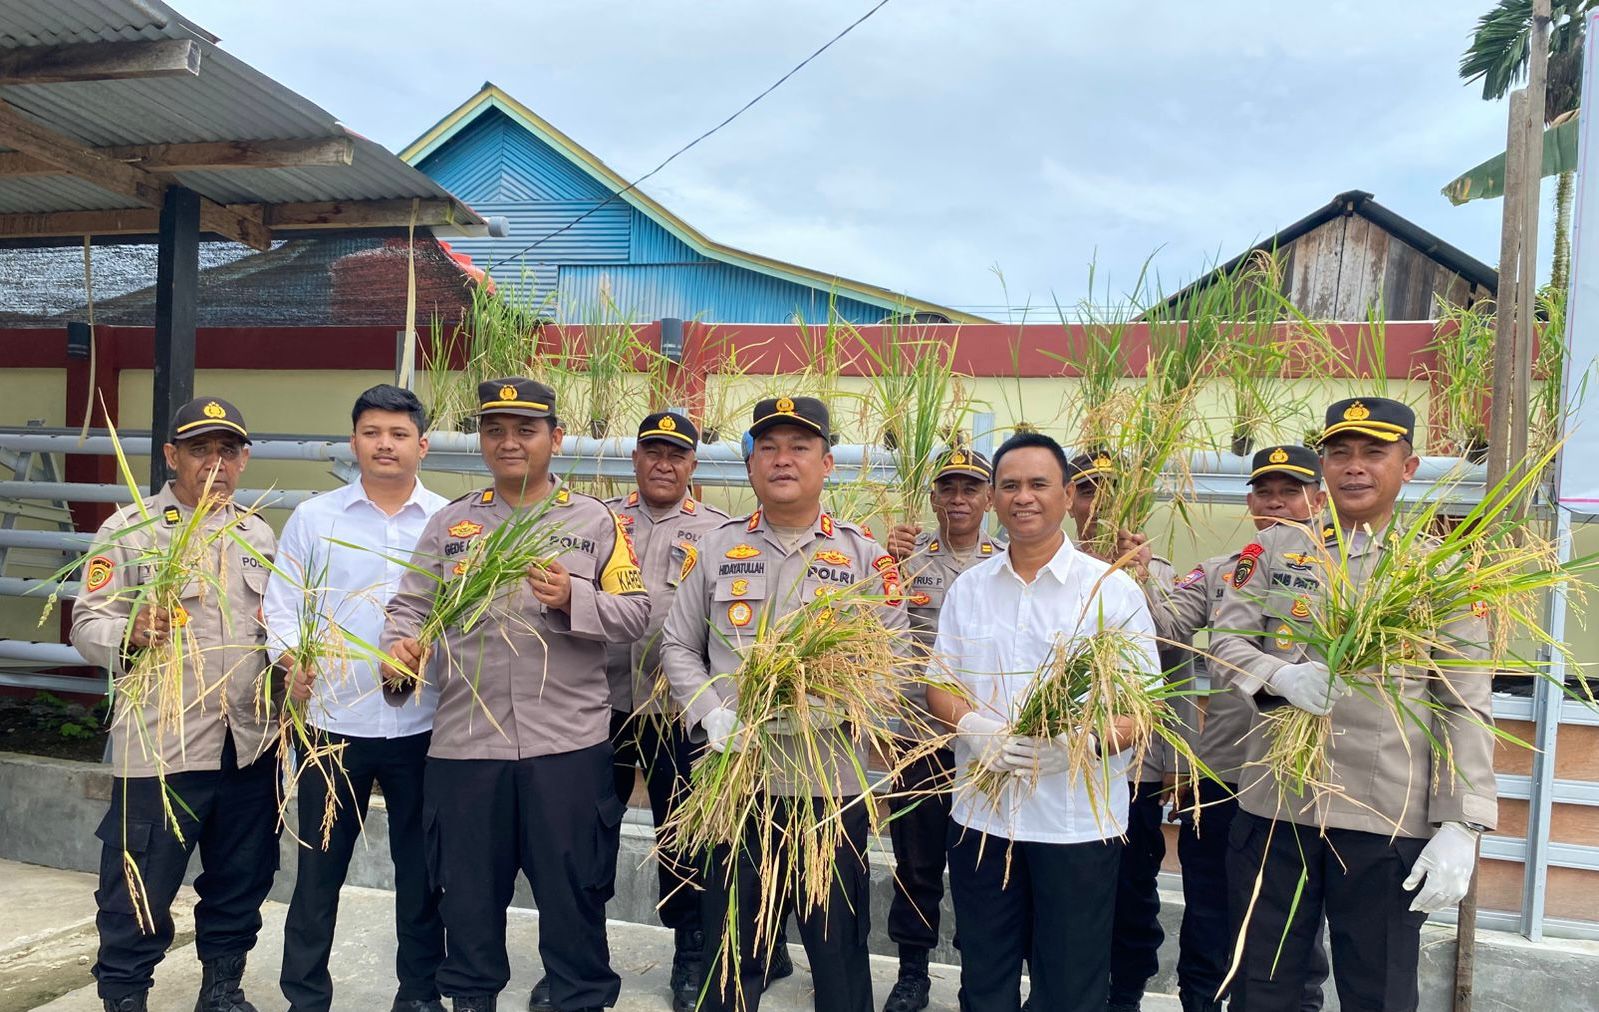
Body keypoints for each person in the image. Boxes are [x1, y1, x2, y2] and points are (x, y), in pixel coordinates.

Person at [1211, 399, 1496, 1012]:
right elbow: (1225, 642)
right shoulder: (1275, 550)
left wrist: (1462, 823)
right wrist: (1279, 676)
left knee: (1380, 991)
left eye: (1374, 453)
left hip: (1384, 819)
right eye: (1340, 453)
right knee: (1263, 989)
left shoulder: (1440, 569)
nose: (1355, 467)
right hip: (1277, 809)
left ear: (1409, 465)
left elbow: (1463, 702)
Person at [380, 378, 651, 1012]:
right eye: (495, 430)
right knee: (468, 896)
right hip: (467, 744)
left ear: (555, 438)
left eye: (525, 430)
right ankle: (472, 998)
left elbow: (637, 614)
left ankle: (579, 997)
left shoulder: (596, 522)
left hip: (567, 746)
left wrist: (573, 599)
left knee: (573, 891)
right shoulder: (451, 524)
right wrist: (400, 648)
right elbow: (409, 607)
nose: (509, 442)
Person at [661, 395, 911, 1012]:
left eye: (799, 447)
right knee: (732, 945)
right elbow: (677, 644)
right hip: (736, 782)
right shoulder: (716, 549)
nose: (782, 459)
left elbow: (895, 659)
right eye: (767, 447)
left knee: (838, 951)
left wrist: (838, 705)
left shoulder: (862, 557)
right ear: (750, 467)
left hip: (830, 789)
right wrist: (711, 713)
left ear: (828, 463)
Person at [927, 431, 1161, 1012]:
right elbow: (940, 684)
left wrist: (1078, 746)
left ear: (1066, 495)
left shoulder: (1111, 590)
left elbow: (1143, 708)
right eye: (1009, 485)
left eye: (1038, 484)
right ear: (993, 499)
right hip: (982, 815)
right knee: (984, 971)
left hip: (1076, 822)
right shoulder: (970, 589)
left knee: (1071, 980)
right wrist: (977, 730)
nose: (1022, 497)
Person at [71, 397, 279, 1012]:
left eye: (227, 450)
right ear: (171, 456)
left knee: (241, 879)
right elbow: (86, 625)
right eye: (199, 449)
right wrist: (130, 631)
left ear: (243, 459)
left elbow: (278, 631)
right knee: (137, 888)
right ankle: (125, 995)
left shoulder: (258, 531)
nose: (214, 462)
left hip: (247, 743)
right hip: (162, 747)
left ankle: (222, 990)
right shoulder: (128, 528)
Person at [1119, 443, 1331, 1012]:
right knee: (1210, 903)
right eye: (1265, 492)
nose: (1277, 503)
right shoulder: (1220, 572)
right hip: (1221, 772)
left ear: (1319, 496)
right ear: (1251, 502)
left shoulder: (1345, 571)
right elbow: (1163, 635)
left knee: (1294, 913)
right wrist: (1137, 578)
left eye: (1290, 491)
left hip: (1302, 777)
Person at [264, 384, 448, 1012]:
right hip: (331, 725)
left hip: (423, 727)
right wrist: (292, 660)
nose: (385, 445)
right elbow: (282, 606)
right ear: (354, 442)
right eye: (372, 433)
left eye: (399, 434)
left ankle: (419, 994)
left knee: (422, 874)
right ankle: (306, 996)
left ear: (422, 444)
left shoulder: (450, 522)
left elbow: (466, 617)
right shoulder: (318, 518)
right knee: (318, 872)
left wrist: (429, 650)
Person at [564, 411, 727, 1012]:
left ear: (693, 465)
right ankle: (580, 958)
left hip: (676, 707)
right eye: (653, 451)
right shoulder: (599, 520)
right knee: (585, 835)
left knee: (683, 836)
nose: (664, 463)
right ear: (635, 457)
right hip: (595, 704)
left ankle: (689, 958)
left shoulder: (716, 532)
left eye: (676, 454)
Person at [880, 448, 999, 1012]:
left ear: (990, 498)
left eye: (971, 488)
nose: (958, 498)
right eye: (948, 488)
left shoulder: (1006, 561)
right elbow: (871, 630)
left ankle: (981, 971)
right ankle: (912, 971)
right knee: (917, 860)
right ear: (933, 497)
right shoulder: (905, 560)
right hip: (921, 737)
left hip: (990, 743)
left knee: (985, 862)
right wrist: (882, 562)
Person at [1062, 451, 1172, 1012]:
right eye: (1085, 490)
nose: (1097, 503)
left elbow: (1177, 659)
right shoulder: (1047, 566)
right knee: (1061, 901)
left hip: (1134, 773)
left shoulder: (1162, 573)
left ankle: (1124, 994)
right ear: (1066, 498)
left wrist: (1142, 579)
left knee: (1132, 892)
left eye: (1110, 489)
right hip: (1053, 769)